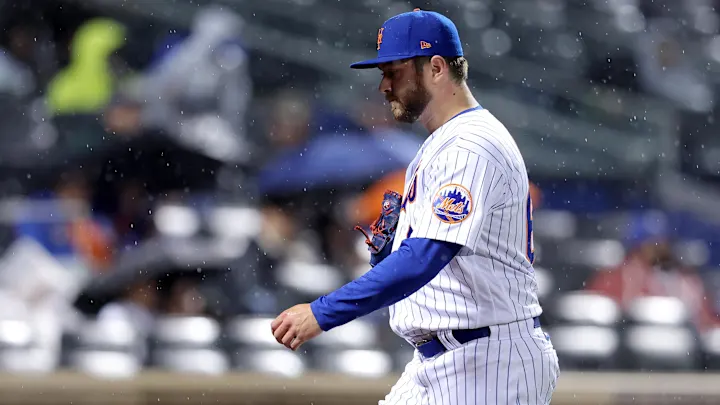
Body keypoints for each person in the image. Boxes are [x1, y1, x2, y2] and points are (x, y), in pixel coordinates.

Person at [271, 8, 559, 404]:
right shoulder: (440, 143)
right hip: (442, 359)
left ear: (436, 68)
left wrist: (323, 312)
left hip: (488, 364)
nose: (384, 86)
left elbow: (424, 258)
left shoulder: (471, 145)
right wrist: (385, 250)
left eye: (394, 72)